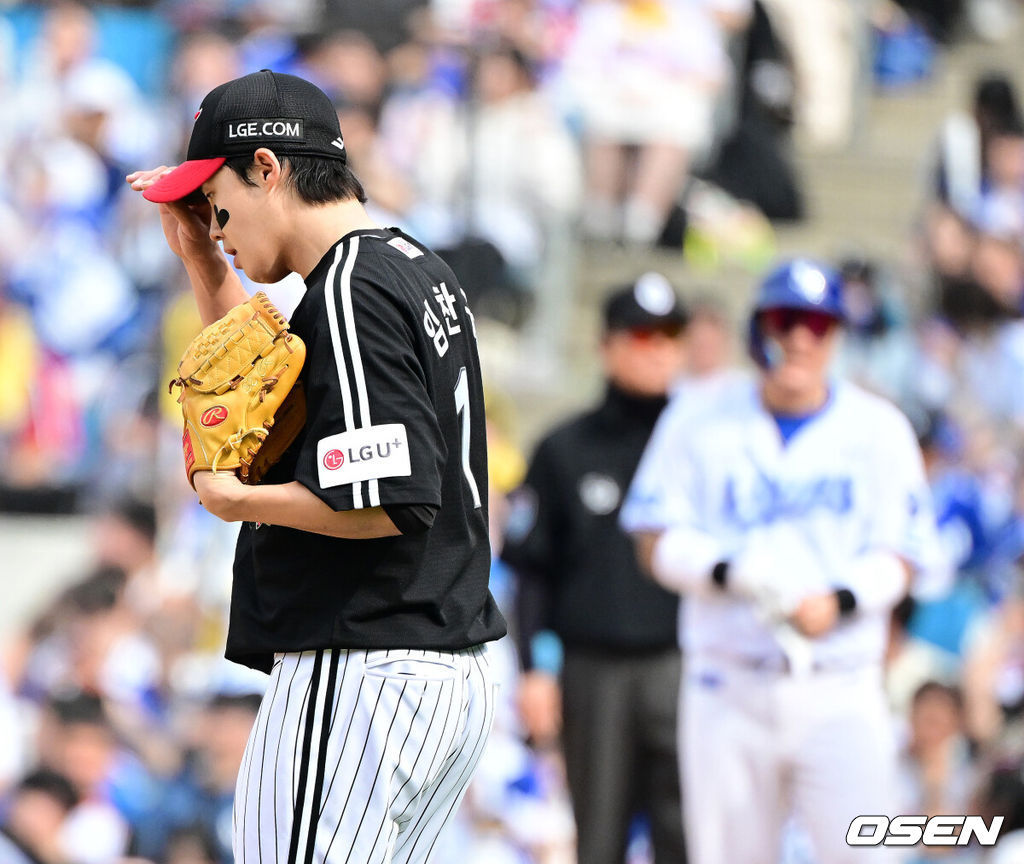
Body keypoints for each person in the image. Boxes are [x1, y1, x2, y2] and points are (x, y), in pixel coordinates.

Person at [126, 69, 506, 864]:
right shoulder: (408, 265)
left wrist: (239, 503)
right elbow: (269, 383)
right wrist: (201, 261)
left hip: (365, 663)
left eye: (216, 201)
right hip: (430, 666)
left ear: (268, 168)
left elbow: (390, 498)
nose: (215, 223)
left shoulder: (351, 289)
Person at [621, 259, 942, 864]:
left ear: (836, 337)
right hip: (728, 682)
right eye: (786, 319)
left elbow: (903, 555)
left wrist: (841, 599)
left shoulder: (878, 429)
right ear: (758, 329)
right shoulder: (699, 418)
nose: (800, 338)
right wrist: (728, 571)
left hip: (839, 683)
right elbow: (653, 539)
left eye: (817, 325)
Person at [501, 272, 688, 864]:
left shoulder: (703, 446)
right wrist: (533, 670)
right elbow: (532, 571)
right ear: (606, 344)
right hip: (593, 672)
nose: (656, 350)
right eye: (640, 335)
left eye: (668, 335)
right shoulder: (565, 450)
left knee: (689, 832)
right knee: (598, 838)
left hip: (686, 663)